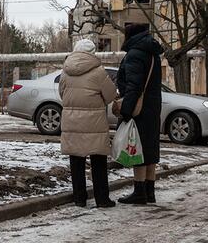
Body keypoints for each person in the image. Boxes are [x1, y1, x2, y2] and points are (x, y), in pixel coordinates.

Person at [59, 39, 117, 208]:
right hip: (94, 123)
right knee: (98, 161)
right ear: (92, 52)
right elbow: (110, 95)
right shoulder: (99, 72)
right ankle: (102, 199)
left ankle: (79, 198)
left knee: (76, 161)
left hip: (71, 122)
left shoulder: (65, 71)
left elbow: (62, 94)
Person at [114, 23, 164, 205]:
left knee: (139, 150)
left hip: (139, 109)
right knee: (150, 150)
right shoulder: (152, 53)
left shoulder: (135, 54)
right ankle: (149, 192)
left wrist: (126, 111)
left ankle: (139, 192)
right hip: (152, 107)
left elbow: (134, 86)